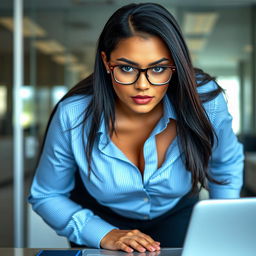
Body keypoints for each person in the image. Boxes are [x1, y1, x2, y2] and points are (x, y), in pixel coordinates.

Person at [28, 2, 244, 253]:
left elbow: (225, 165)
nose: (143, 85)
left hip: (177, 214)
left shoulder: (205, 100)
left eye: (159, 68)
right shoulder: (73, 115)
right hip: (98, 218)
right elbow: (47, 194)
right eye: (127, 68)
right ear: (106, 62)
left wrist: (221, 227)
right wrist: (102, 233)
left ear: (176, 65)